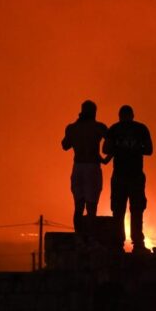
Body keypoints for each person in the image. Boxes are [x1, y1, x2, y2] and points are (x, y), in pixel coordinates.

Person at [102, 105, 153, 253]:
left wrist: (119, 148)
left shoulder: (114, 129)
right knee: (136, 210)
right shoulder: (141, 128)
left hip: (121, 176)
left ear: (120, 115)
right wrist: (136, 148)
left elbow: (105, 149)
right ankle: (137, 244)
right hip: (135, 175)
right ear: (133, 115)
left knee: (119, 211)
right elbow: (149, 150)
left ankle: (119, 244)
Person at [61, 100, 109, 240]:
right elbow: (112, 142)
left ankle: (79, 238)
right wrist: (105, 158)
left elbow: (65, 145)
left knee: (78, 206)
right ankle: (90, 240)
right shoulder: (99, 127)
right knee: (91, 207)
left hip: (78, 167)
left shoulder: (72, 128)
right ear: (94, 112)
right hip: (92, 168)